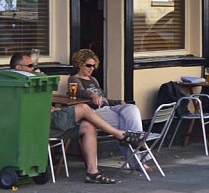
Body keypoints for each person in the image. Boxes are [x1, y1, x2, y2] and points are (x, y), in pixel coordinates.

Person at [10, 52, 145, 184]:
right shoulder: (19, 84)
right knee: (84, 108)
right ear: (18, 67)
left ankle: (92, 172)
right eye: (30, 66)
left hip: (49, 119)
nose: (33, 68)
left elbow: (39, 104)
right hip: (41, 123)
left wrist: (51, 106)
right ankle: (122, 135)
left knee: (88, 126)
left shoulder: (32, 81)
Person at [67, 49, 147, 171]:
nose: (91, 68)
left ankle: (136, 143)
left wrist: (118, 102)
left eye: (93, 66)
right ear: (80, 64)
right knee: (125, 126)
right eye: (88, 65)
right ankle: (138, 158)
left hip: (108, 108)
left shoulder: (94, 80)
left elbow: (104, 99)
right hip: (94, 112)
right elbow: (80, 92)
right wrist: (92, 95)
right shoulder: (74, 79)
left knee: (131, 108)